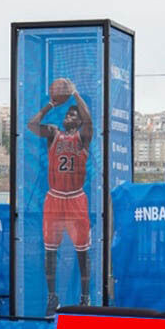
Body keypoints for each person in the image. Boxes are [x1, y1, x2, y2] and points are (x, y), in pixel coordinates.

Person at [27, 79, 93, 316]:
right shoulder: (54, 134)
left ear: (79, 121)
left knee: (82, 251)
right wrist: (50, 106)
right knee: (50, 251)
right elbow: (31, 125)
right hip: (54, 198)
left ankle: (85, 296)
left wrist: (75, 94)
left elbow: (89, 121)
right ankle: (52, 296)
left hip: (76, 198)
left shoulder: (83, 137)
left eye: (73, 115)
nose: (69, 116)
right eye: (67, 114)